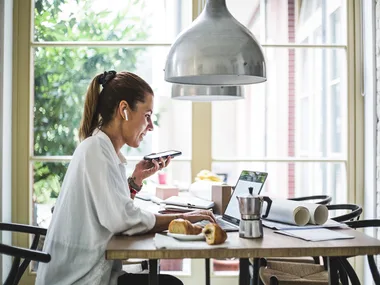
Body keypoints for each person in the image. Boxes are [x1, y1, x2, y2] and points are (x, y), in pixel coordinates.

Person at [36, 71, 216, 285]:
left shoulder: (102, 149)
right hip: (80, 280)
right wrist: (183, 218)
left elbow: (113, 212)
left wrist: (135, 181)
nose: (150, 126)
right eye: (147, 115)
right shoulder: (96, 150)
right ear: (124, 110)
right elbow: (121, 220)